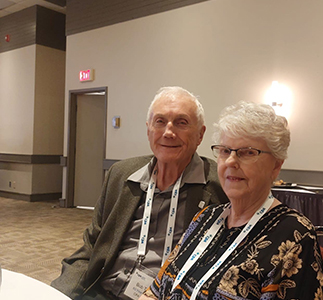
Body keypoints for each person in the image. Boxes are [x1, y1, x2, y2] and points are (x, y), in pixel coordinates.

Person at [140, 101, 323, 300]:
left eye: (247, 152)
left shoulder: (294, 236)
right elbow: (155, 291)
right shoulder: (205, 218)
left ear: (276, 165)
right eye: (225, 151)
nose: (231, 161)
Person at [51, 86, 228, 300]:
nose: (168, 132)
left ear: (200, 134)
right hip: (103, 291)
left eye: (181, 123)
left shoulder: (221, 186)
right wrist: (58, 293)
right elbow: (91, 247)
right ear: (148, 129)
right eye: (160, 122)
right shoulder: (121, 174)